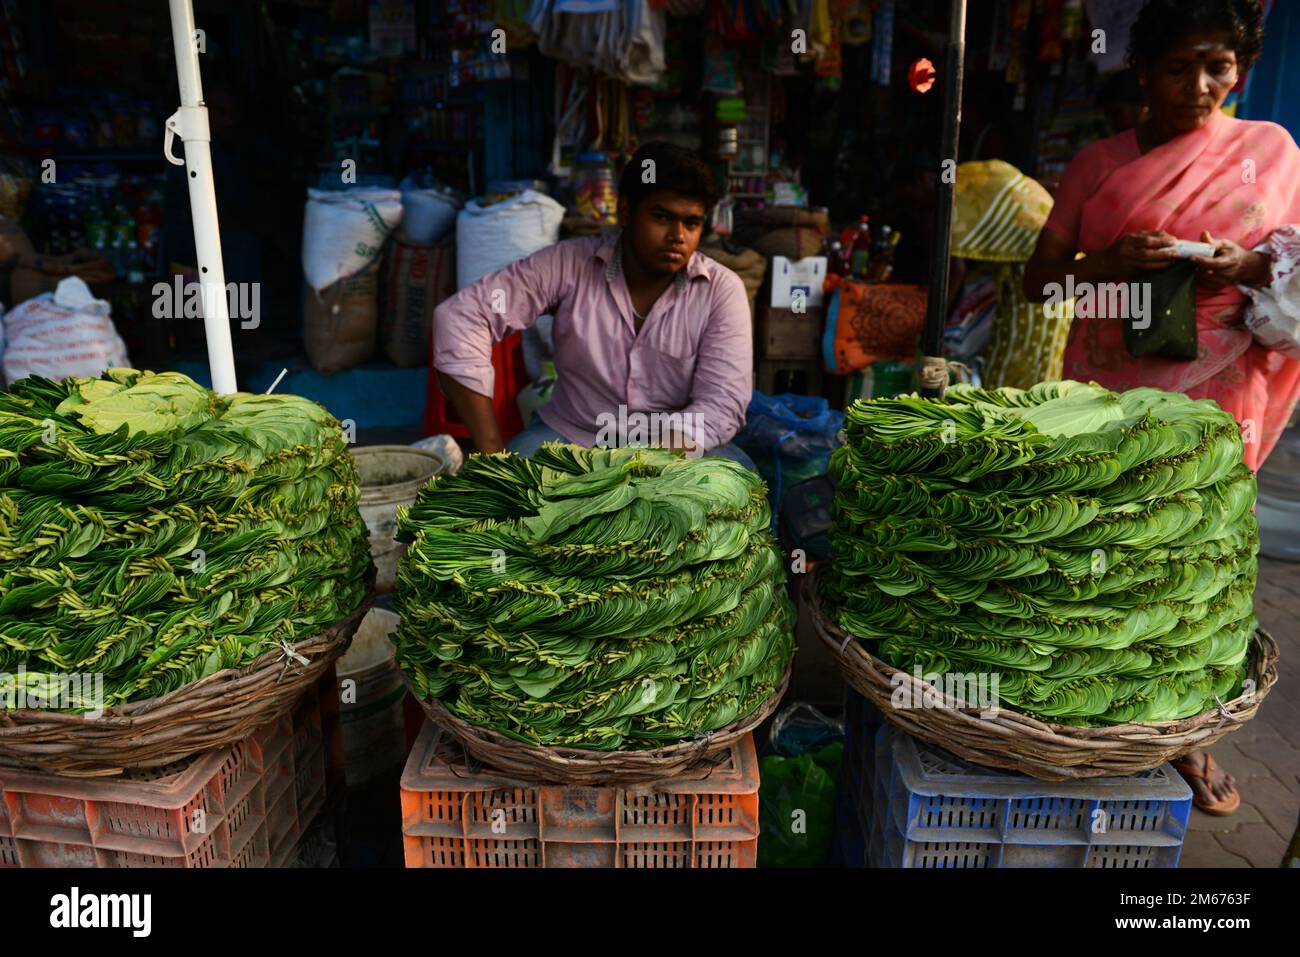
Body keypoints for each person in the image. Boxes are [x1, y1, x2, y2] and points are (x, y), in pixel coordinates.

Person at [1024, 0, 1300, 816]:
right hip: (1110, 388)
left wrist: (1243, 265)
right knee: (1100, 545)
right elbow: (1040, 284)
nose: (1201, 86)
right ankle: (1081, 711)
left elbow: (1290, 275)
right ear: (1143, 71)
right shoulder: (1096, 165)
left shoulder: (1270, 152)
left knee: (1193, 558)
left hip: (1223, 395)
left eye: (1219, 68)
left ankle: (1186, 731)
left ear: (1240, 72)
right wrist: (1107, 259)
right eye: (1181, 67)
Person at [433, 141, 755, 467]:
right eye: (661, 217)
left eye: (691, 223)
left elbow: (722, 402)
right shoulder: (568, 264)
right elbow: (463, 316)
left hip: (676, 450)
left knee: (745, 499)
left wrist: (643, 463)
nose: (678, 236)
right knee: (499, 504)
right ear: (626, 211)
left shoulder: (721, 291)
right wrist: (491, 451)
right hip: (571, 437)